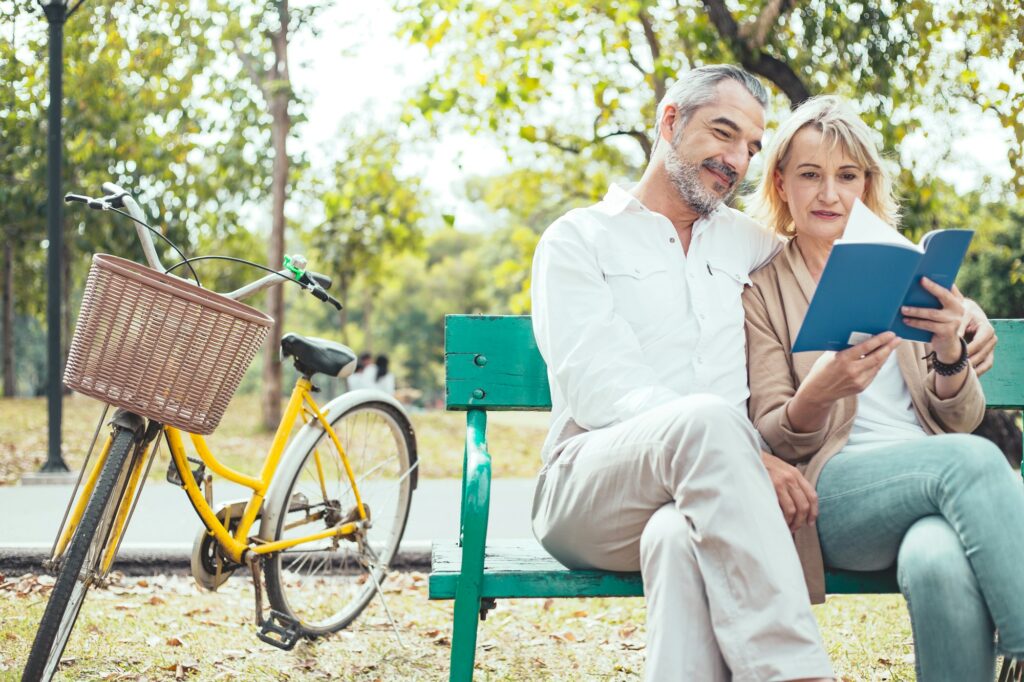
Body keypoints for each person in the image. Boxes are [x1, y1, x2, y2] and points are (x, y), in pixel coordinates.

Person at [531, 64, 836, 681]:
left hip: (704, 498)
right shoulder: (579, 239)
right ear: (670, 122)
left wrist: (955, 308)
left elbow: (839, 268)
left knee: (677, 539)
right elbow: (600, 386)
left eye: (751, 147)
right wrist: (744, 454)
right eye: (723, 134)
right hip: (589, 489)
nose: (737, 160)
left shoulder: (750, 244)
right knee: (707, 419)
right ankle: (796, 671)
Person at [743, 95, 1019, 681]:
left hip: (928, 485)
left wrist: (949, 354)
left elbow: (959, 420)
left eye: (847, 176)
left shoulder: (906, 270)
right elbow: (774, 434)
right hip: (833, 495)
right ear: (781, 183)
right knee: (972, 462)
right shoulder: (763, 290)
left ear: (866, 184)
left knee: (937, 559)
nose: (829, 195)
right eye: (810, 175)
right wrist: (819, 392)